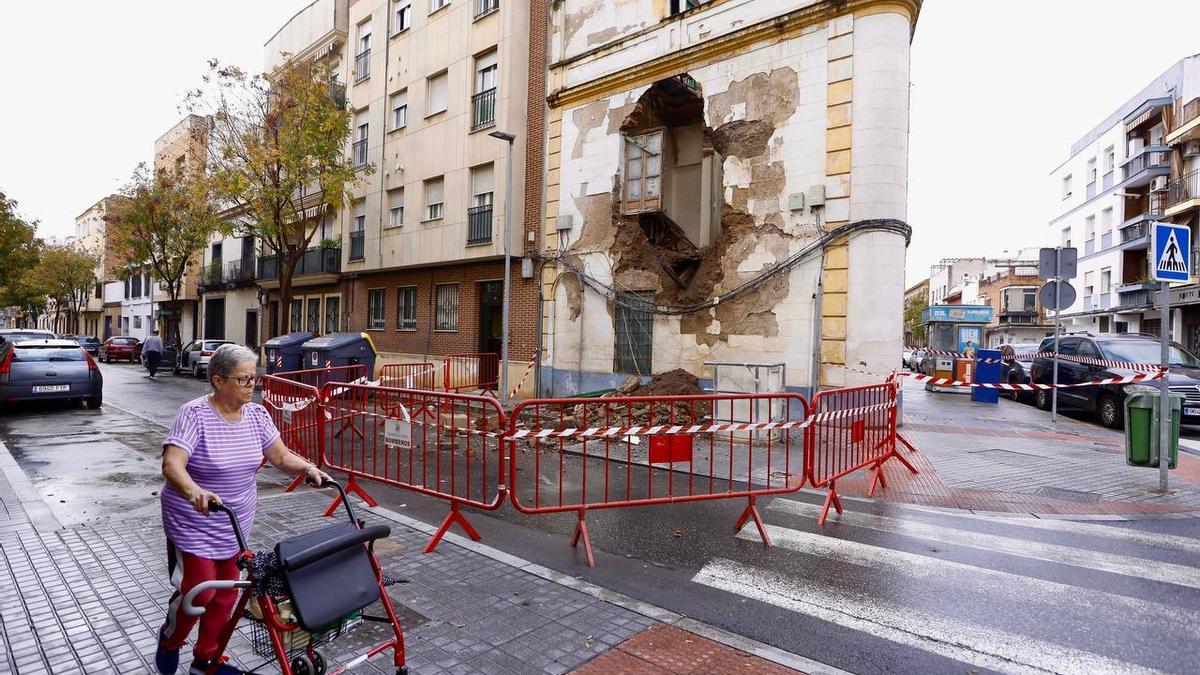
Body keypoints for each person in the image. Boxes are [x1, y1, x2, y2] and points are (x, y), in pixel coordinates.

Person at [155, 344, 331, 675]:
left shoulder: (257, 415)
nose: (252, 385)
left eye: (254, 377)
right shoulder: (193, 414)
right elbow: (172, 464)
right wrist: (194, 490)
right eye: (244, 379)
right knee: (198, 591)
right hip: (194, 518)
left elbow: (279, 455)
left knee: (226, 596)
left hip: (235, 521)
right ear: (218, 381)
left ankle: (206, 658)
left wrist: (306, 468)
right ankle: (171, 639)